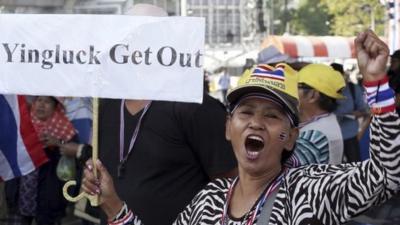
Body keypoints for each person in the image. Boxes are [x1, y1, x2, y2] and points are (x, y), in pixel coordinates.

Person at [82, 30, 400, 225]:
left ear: (290, 138)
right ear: (227, 129)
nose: (256, 122)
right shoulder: (209, 201)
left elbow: (387, 176)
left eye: (272, 116)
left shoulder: (309, 190)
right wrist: (114, 206)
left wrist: (376, 85)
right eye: (245, 112)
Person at [79, 4, 237, 225]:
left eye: (149, 37)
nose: (139, 47)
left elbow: (229, 183)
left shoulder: (194, 106)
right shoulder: (107, 107)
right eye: (131, 38)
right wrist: (92, 179)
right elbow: (104, 167)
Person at [5, 96, 77, 225]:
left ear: (56, 107)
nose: (41, 105)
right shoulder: (21, 124)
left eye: (47, 102)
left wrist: (59, 144)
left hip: (48, 200)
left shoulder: (66, 131)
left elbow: (73, 166)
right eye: (39, 100)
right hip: (20, 195)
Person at [294, 63, 345, 164]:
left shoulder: (313, 138)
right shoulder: (326, 120)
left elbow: (275, 175)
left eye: (296, 86)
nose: (290, 91)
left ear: (313, 95)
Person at [331, 63, 369, 162]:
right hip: (332, 136)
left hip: (350, 135)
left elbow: (365, 110)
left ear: (342, 74)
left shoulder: (352, 88)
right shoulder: (325, 91)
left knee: (355, 164)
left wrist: (357, 114)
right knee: (335, 167)